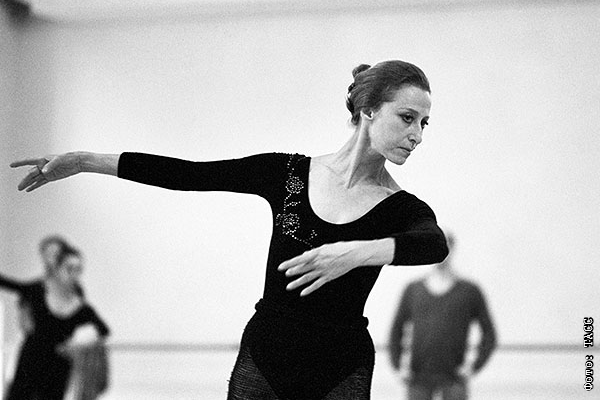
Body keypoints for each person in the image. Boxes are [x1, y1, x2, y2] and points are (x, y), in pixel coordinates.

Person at [11, 60, 448, 400]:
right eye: (407, 117)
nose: (417, 135)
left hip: (341, 368)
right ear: (369, 109)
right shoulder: (289, 174)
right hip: (265, 358)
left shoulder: (401, 208)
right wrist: (85, 161)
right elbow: (190, 174)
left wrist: (355, 253)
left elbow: (432, 244)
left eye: (423, 123)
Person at [388, 232, 497, 400]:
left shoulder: (469, 291)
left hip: (454, 380)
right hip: (418, 379)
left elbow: (489, 334)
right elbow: (396, 330)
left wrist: (473, 367)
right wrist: (398, 366)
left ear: (452, 249)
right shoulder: (413, 290)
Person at [0, 240, 110, 400]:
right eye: (69, 268)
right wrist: (23, 312)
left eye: (78, 269)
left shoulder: (80, 305)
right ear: (58, 269)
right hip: (30, 363)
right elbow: (15, 287)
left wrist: (76, 344)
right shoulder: (38, 290)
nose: (74, 274)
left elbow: (103, 329)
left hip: (57, 369)